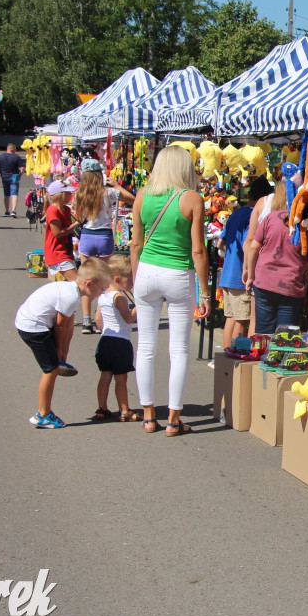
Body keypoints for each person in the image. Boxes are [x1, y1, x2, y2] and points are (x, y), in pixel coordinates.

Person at [130, 145, 210, 436]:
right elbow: (198, 250)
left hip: (147, 272)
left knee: (146, 347)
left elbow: (135, 244)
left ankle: (149, 415)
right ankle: (173, 420)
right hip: (178, 273)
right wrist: (205, 293)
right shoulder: (192, 199)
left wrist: (137, 278)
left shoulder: (142, 195)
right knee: (179, 349)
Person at [15, 257, 111, 428]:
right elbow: (60, 327)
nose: (101, 293)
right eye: (102, 289)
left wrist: (64, 351)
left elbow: (68, 324)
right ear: (89, 284)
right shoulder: (70, 297)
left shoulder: (72, 291)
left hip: (34, 321)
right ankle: (42, 414)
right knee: (50, 370)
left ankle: (45, 407)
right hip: (33, 327)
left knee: (54, 364)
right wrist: (58, 350)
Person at [73, 160, 135, 334]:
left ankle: (86, 321)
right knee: (107, 280)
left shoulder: (80, 193)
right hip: (104, 236)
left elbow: (78, 217)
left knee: (87, 279)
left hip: (87, 235)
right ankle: (102, 318)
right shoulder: (109, 192)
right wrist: (116, 185)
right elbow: (132, 199)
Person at [242, 184, 308, 334]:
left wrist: (250, 274)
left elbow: (253, 248)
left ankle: (263, 356)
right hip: (291, 285)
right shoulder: (307, 224)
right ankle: (278, 356)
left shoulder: (271, 218)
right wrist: (304, 282)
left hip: (264, 282)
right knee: (285, 336)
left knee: (263, 331)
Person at [219, 176, 271, 346]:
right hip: (240, 277)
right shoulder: (252, 216)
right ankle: (235, 359)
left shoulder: (236, 213)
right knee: (242, 320)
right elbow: (247, 246)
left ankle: (226, 360)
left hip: (227, 274)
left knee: (231, 318)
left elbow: (221, 243)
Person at [93, 255, 138, 422]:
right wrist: (138, 306)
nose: (133, 282)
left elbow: (98, 320)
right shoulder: (119, 297)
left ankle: (102, 408)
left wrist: (105, 331)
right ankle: (124, 409)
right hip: (120, 342)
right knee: (121, 378)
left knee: (105, 376)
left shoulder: (103, 297)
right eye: (130, 279)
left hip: (105, 341)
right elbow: (127, 318)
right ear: (118, 279)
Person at [44, 180, 80, 281]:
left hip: (66, 250)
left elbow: (67, 229)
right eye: (67, 193)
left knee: (74, 284)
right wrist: (76, 224)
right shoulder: (53, 210)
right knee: (77, 283)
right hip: (57, 252)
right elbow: (58, 233)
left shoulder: (66, 209)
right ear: (60, 195)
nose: (70, 195)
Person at [0, 143, 25, 217]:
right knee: (14, 194)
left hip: (4, 176)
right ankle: (13, 211)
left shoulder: (0, 156)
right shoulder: (17, 157)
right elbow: (22, 168)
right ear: (13, 149)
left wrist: (0, 172)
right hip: (14, 176)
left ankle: (7, 211)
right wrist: (20, 175)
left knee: (6, 194)